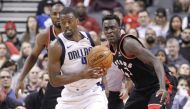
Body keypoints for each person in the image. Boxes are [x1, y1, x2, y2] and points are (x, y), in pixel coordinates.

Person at [102, 14, 175, 109]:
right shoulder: (109, 50)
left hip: (160, 82)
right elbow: (129, 69)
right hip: (141, 88)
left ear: (119, 29)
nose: (109, 31)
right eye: (106, 28)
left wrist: (162, 88)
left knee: (155, 107)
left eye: (112, 28)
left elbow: (156, 61)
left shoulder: (128, 44)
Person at [48, 7, 108, 109]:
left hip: (93, 92)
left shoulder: (92, 39)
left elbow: (104, 65)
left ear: (77, 21)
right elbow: (54, 81)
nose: (66, 25)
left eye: (69, 21)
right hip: (70, 95)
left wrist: (104, 76)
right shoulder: (56, 46)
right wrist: (82, 75)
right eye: (63, 23)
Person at [15, 3, 64, 109]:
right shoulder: (44, 35)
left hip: (75, 79)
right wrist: (21, 78)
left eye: (61, 13)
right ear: (50, 16)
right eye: (55, 14)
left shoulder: (78, 32)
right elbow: (32, 56)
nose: (58, 16)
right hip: (55, 81)